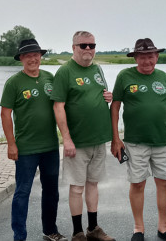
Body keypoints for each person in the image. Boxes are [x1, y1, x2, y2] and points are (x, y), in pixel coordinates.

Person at [110, 38, 166, 241]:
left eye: (150, 56)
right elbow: (115, 106)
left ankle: (163, 227)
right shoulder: (125, 76)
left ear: (157, 56)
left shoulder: (164, 77)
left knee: (164, 183)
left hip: (162, 141)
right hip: (134, 141)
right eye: (142, 57)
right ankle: (138, 229)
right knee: (138, 184)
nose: (147, 61)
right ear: (136, 58)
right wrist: (116, 138)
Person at [51, 31, 115, 241]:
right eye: (83, 45)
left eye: (91, 45)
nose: (88, 49)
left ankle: (93, 228)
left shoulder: (98, 69)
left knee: (93, 184)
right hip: (77, 142)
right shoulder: (65, 72)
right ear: (74, 48)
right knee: (77, 187)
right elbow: (58, 106)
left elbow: (102, 94)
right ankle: (78, 232)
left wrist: (109, 96)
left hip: (99, 138)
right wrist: (66, 139)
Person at [1, 38, 66, 241]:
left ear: (40, 56)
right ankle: (19, 236)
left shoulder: (50, 78)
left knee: (52, 192)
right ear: (21, 58)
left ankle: (50, 231)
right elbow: (5, 114)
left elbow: (62, 104)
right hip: (26, 148)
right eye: (28, 55)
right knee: (22, 193)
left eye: (36, 54)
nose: (33, 58)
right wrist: (11, 144)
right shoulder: (14, 82)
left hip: (50, 147)